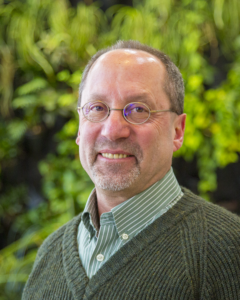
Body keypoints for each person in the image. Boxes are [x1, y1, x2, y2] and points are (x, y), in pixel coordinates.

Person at [22, 40, 240, 300]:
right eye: (97, 108)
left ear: (177, 131)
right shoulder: (50, 252)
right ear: (80, 128)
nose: (113, 130)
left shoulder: (227, 249)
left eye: (138, 110)